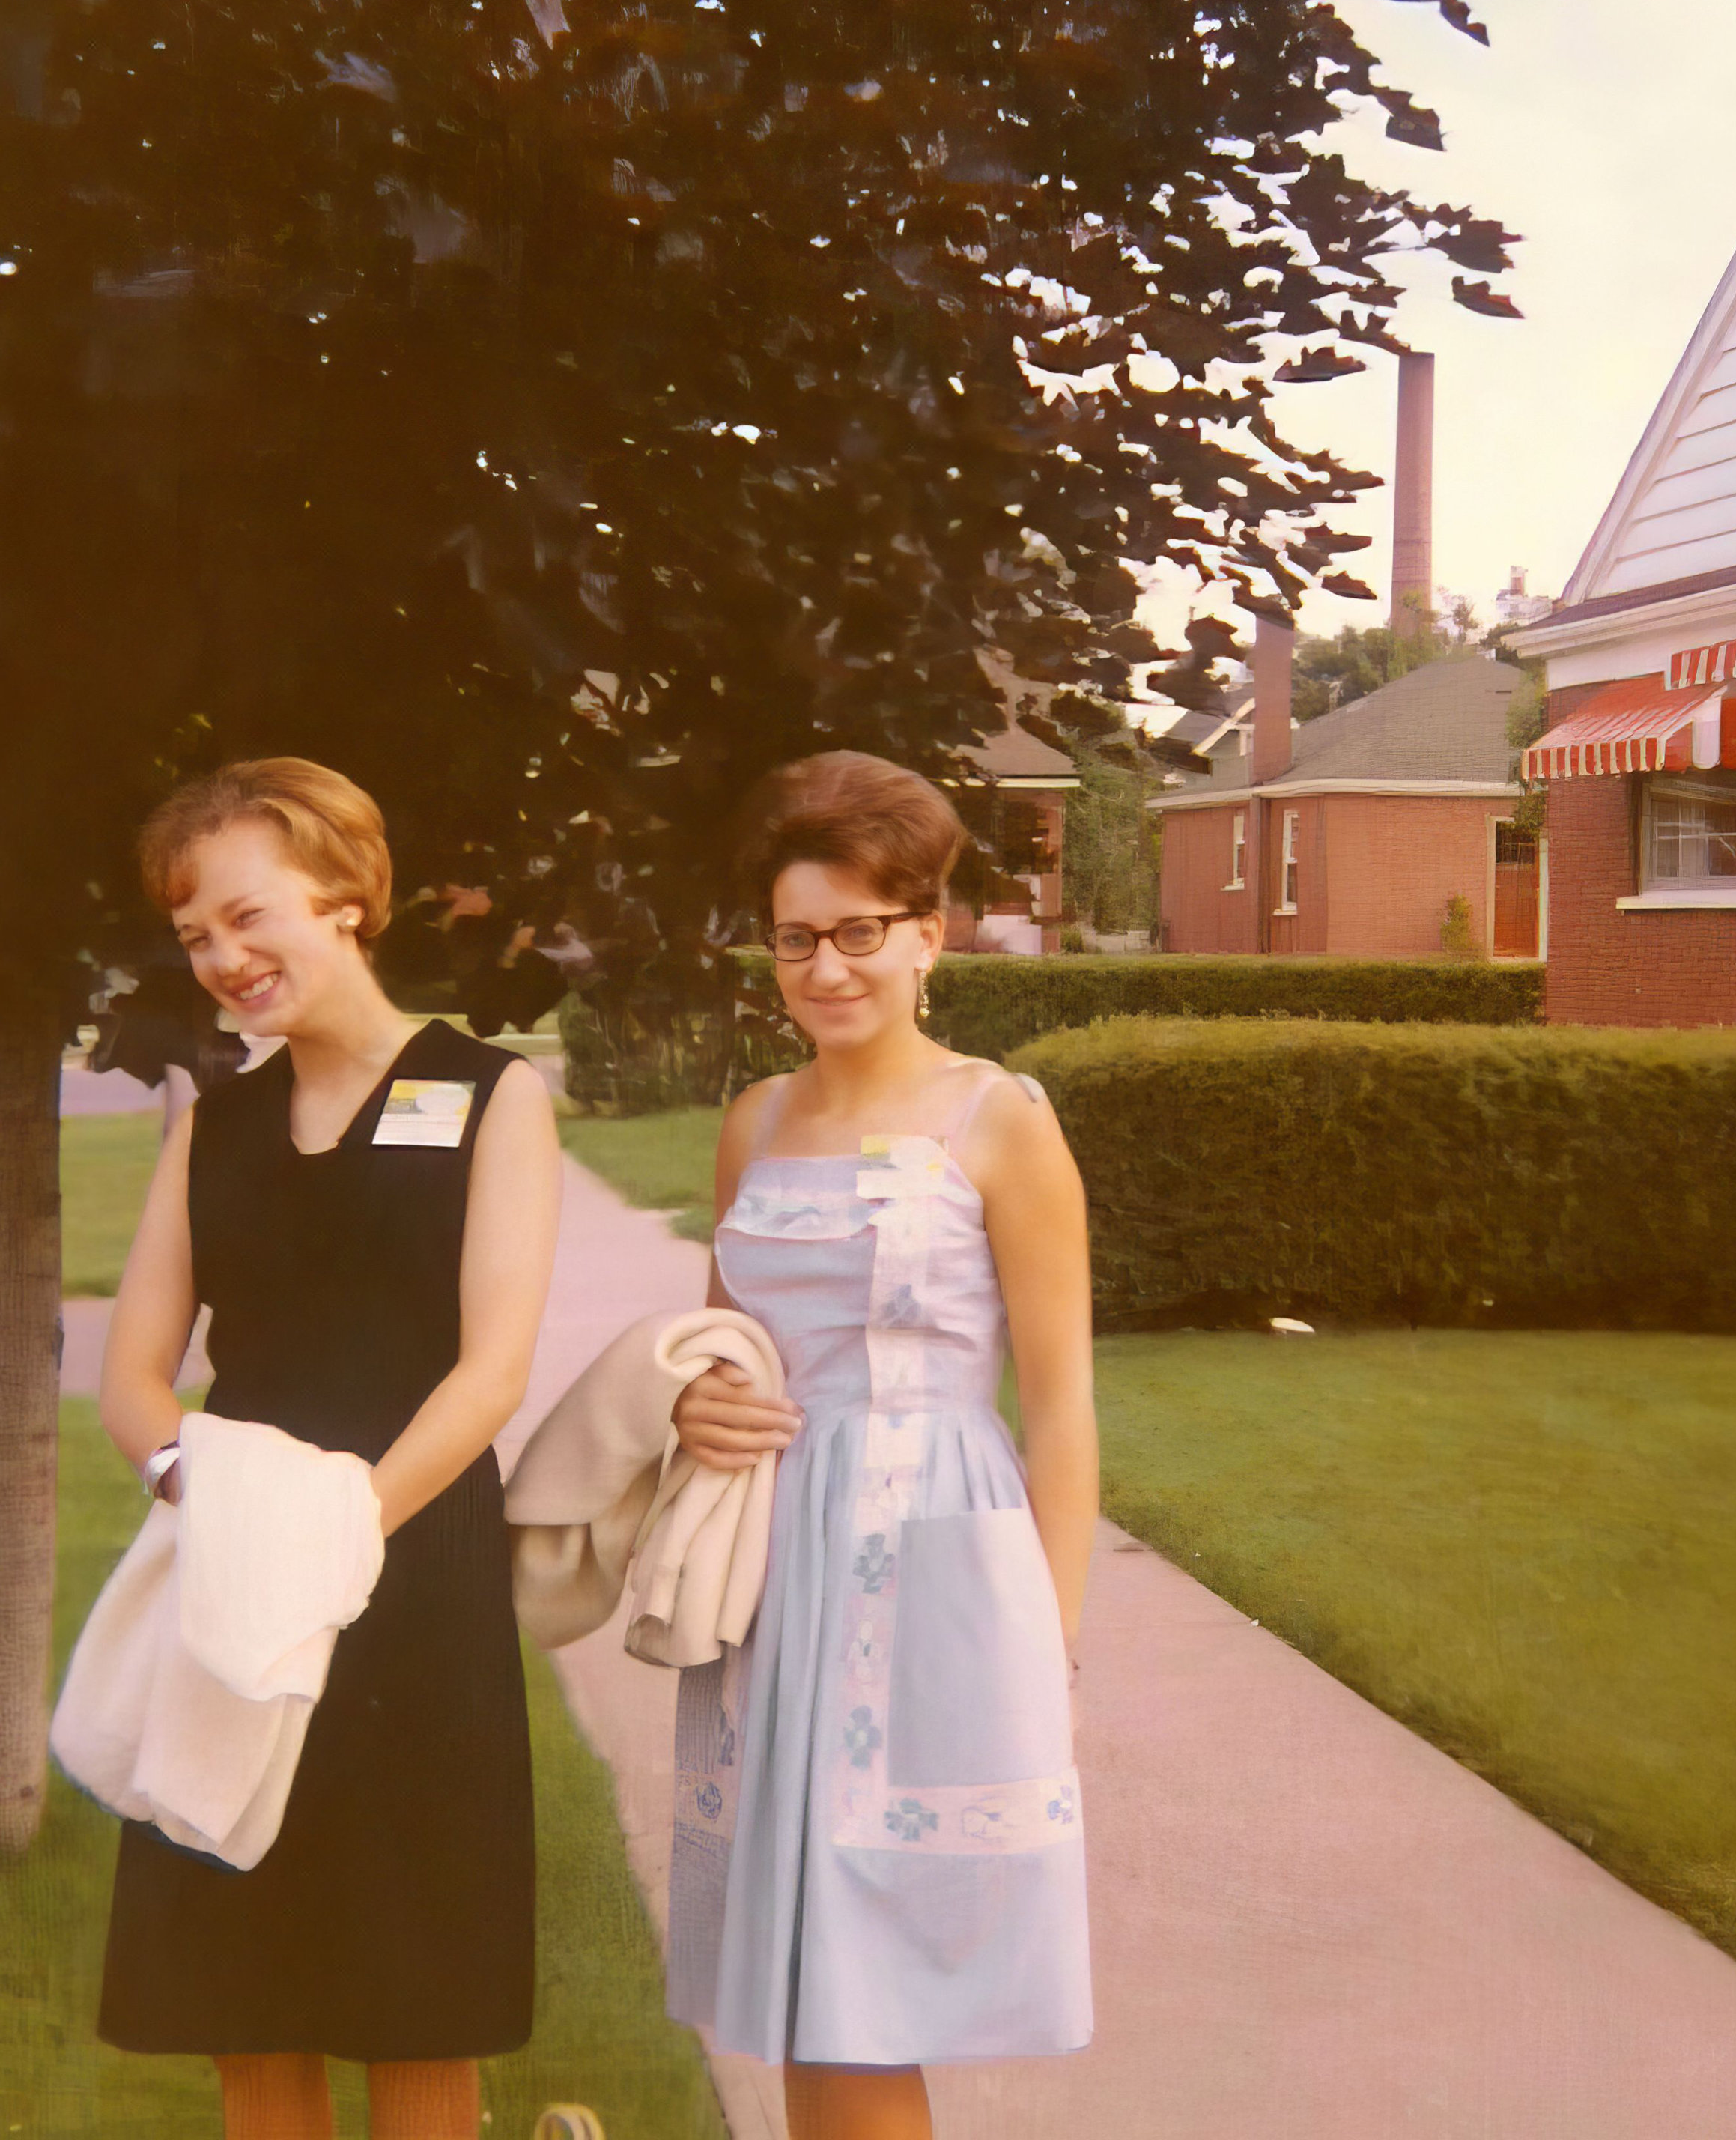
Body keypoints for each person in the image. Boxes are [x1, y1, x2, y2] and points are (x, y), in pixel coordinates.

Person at [94, 758, 562, 2140]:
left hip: (411, 1575)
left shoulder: (489, 1093)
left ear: (347, 896)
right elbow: (133, 1374)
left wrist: (345, 1525)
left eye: (248, 917)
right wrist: (204, 1491)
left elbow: (493, 1372)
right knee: (251, 1988)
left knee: (415, 1985)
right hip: (235, 1584)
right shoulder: (213, 1124)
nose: (225, 958)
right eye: (195, 937)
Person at [667, 751, 1098, 2140]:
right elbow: (726, 1346)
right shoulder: (755, 1123)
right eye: (797, 937)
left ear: (928, 933)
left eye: (859, 932)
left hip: (930, 1572)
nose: (826, 967)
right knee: (799, 1977)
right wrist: (695, 1404)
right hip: (773, 1571)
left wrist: (1052, 1632)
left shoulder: (1000, 1119)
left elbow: (1062, 1403)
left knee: (876, 1978)